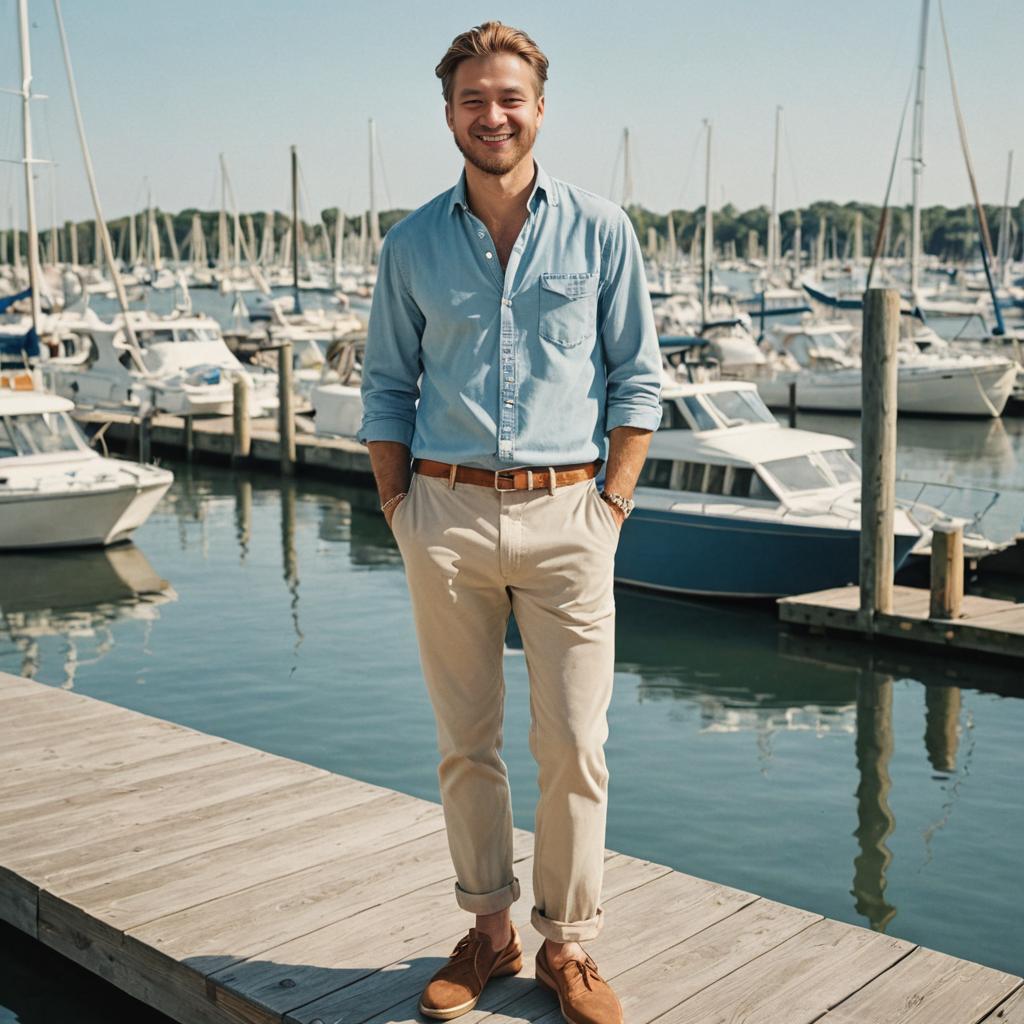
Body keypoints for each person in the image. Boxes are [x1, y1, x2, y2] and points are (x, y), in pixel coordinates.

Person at [356, 20, 662, 1024]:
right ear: (448, 113)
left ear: (540, 107)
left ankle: (566, 947)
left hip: (572, 513)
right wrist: (401, 507)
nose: (492, 114)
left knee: (575, 741)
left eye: (509, 97)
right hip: (443, 514)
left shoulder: (601, 229)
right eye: (472, 99)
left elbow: (637, 382)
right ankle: (488, 933)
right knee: (466, 742)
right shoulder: (409, 245)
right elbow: (386, 387)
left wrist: (611, 503)